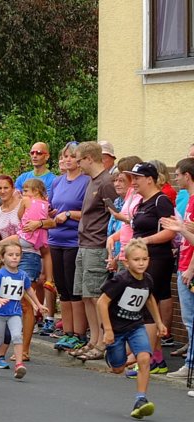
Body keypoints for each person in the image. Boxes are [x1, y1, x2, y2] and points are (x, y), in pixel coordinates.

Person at [97, 239, 165, 419]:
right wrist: (109, 330)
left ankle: (141, 399)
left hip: (136, 326)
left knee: (144, 358)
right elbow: (102, 302)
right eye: (136, 260)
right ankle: (113, 357)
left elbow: (150, 299)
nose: (141, 263)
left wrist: (159, 322)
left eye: (144, 259)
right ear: (126, 262)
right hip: (116, 329)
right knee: (118, 369)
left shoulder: (148, 279)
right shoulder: (121, 279)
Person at [73, 141, 121, 362]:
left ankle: (102, 341)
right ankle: (93, 338)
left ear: (89, 158)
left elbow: (114, 214)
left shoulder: (105, 183)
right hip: (84, 243)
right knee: (85, 295)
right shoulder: (92, 182)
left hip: (97, 244)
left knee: (94, 295)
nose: (77, 163)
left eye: (79, 159)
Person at [126, 161, 176, 374]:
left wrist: (146, 242)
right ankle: (154, 357)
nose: (133, 182)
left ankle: (149, 358)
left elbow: (171, 231)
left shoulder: (161, 201)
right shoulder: (142, 202)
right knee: (146, 306)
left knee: (147, 306)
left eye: (137, 178)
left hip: (156, 259)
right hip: (142, 258)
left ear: (150, 179)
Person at [0, 241, 48, 379]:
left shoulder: (22, 275)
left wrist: (38, 304)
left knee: (17, 336)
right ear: (3, 257)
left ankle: (19, 365)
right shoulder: (0, 274)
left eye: (17, 255)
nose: (14, 257)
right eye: (10, 255)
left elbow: (28, 290)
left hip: (15, 312)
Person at [48, 142, 90, 350]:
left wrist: (69, 214)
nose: (67, 160)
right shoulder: (57, 182)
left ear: (80, 160)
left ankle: (79, 334)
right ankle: (67, 332)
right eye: (64, 156)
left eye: (72, 157)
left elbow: (90, 212)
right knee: (62, 288)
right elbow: (52, 206)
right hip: (56, 238)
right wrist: (51, 213)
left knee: (75, 289)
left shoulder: (86, 182)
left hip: (74, 239)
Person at [162, 158, 194, 379]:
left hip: (189, 266)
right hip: (184, 262)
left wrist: (190, 267)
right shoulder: (190, 200)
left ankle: (190, 365)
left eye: (178, 174)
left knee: (190, 319)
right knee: (188, 319)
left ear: (187, 176)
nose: (175, 178)